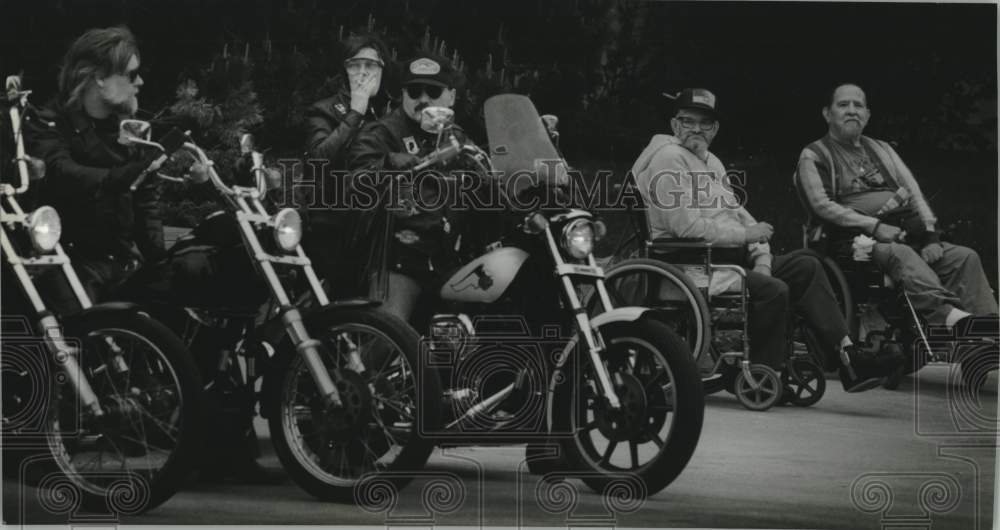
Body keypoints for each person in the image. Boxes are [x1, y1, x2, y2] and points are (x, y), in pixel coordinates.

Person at [27, 26, 277, 485]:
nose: (141, 84)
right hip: (71, 261)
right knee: (58, 329)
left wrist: (157, 258)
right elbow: (63, 173)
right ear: (98, 78)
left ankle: (218, 445)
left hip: (122, 263)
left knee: (199, 306)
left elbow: (147, 203)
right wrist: (124, 174)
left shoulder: (130, 129)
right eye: (132, 74)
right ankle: (38, 441)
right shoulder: (49, 124)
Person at [632, 88, 896, 392]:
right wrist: (747, 237)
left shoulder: (711, 162)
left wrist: (763, 259)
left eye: (705, 123)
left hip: (726, 258)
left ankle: (848, 357)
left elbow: (740, 216)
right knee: (773, 291)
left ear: (715, 129)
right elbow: (686, 227)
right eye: (688, 121)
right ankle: (761, 373)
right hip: (689, 262)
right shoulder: (668, 160)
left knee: (806, 266)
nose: (696, 129)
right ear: (674, 125)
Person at [795, 83, 998, 336]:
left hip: (904, 233)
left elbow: (914, 193)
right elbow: (822, 205)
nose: (851, 111)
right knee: (900, 254)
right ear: (827, 113)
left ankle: (987, 333)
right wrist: (875, 226)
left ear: (867, 115)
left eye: (858, 105)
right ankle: (947, 317)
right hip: (848, 243)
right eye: (843, 104)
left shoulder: (882, 149)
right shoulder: (814, 155)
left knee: (963, 257)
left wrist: (931, 237)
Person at [346, 51, 473, 322]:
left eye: (433, 91)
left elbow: (485, 174)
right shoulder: (382, 133)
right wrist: (388, 162)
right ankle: (357, 367)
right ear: (403, 94)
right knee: (391, 327)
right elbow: (356, 180)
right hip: (398, 261)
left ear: (451, 96)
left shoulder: (457, 138)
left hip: (448, 261)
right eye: (414, 91)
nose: (424, 99)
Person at [302, 33, 392, 295]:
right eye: (355, 65)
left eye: (371, 65)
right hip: (334, 224)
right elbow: (318, 159)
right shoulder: (324, 110)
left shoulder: (392, 111)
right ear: (345, 70)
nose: (363, 72)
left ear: (383, 69)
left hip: (381, 227)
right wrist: (355, 113)